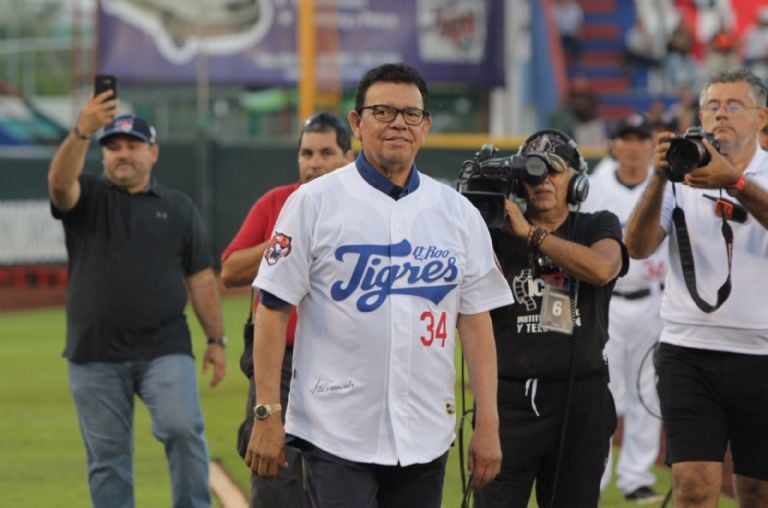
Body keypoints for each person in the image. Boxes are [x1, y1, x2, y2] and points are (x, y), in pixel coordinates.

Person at [244, 62, 514, 508]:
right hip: (336, 431)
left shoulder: (457, 212)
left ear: (425, 126)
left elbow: (476, 320)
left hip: (425, 431)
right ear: (357, 122)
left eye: (410, 114)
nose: (398, 124)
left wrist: (489, 422)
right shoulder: (312, 203)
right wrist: (268, 412)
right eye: (383, 111)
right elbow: (271, 311)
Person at [48, 90, 226, 508]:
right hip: (94, 351)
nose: (122, 154)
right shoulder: (85, 197)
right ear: (103, 155)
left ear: (154, 153)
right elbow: (58, 184)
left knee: (183, 428)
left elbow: (200, 278)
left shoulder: (179, 209)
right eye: (113, 147)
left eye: (132, 146)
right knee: (107, 460)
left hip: (164, 346)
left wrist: (216, 340)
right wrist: (82, 130)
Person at [624, 68, 768, 507]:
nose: (720, 114)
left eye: (734, 105)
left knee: (760, 492)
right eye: (711, 105)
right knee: (693, 488)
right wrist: (658, 177)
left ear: (763, 118)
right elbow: (638, 245)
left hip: (763, 352)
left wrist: (736, 183)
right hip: (689, 348)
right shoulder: (681, 170)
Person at [475, 128, 628, 508]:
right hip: (510, 403)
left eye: (554, 171)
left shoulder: (597, 225)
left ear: (577, 180)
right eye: (532, 172)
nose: (542, 181)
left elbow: (602, 269)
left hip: (581, 401)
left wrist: (531, 235)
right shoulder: (491, 233)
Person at [221, 112, 354, 507]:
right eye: (306, 152)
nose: (314, 162)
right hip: (280, 362)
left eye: (326, 152)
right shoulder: (278, 202)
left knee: (341, 477)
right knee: (273, 475)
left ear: (349, 157)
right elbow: (229, 270)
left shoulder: (366, 207)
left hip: (342, 362)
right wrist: (283, 240)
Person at [582, 114, 667, 503]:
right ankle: (594, 477)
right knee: (600, 393)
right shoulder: (594, 187)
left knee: (648, 393)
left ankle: (636, 477)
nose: (633, 145)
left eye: (640, 138)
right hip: (607, 302)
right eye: (625, 138)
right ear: (614, 145)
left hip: (654, 300)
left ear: (651, 144)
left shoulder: (667, 183)